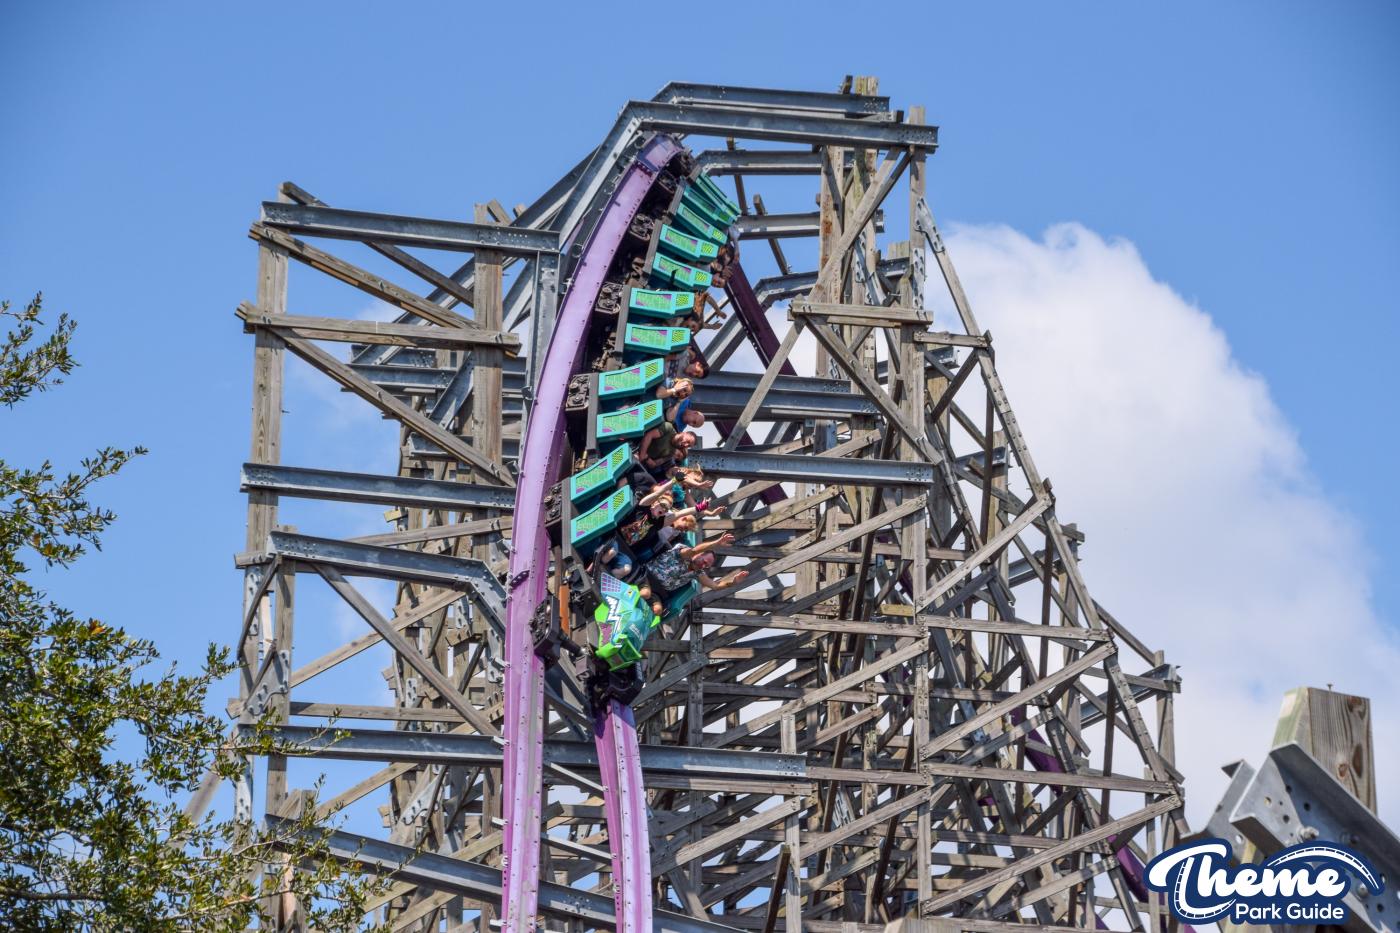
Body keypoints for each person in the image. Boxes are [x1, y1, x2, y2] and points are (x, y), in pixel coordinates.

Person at [645, 532, 749, 596]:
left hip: (658, 592)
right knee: (645, 593)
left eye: (706, 565)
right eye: (704, 562)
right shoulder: (684, 552)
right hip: (647, 577)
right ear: (700, 554)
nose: (703, 566)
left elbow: (715, 586)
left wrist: (732, 583)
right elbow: (694, 551)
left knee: (657, 610)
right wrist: (716, 543)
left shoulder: (698, 573)